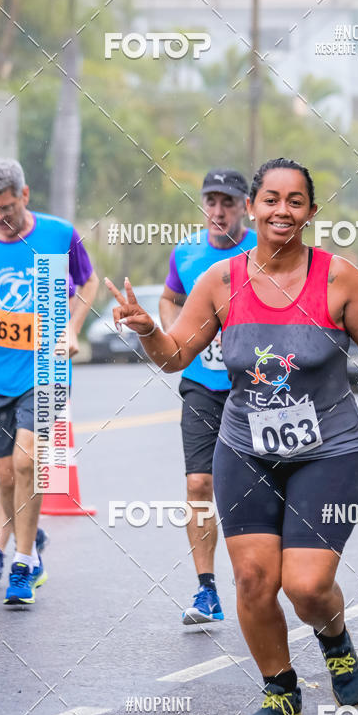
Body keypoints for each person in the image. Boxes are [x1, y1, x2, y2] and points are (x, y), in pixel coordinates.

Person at [106, 157, 358, 715]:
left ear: (310, 212)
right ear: (253, 207)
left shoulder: (339, 279)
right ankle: (281, 689)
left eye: (295, 201)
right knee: (253, 580)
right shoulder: (220, 282)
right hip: (245, 448)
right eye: (271, 199)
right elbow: (175, 357)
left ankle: (334, 637)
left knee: (307, 587)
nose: (281, 210)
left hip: (328, 450)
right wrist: (147, 330)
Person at [0, 157, 99, 604]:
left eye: (7, 207)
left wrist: (72, 327)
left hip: (46, 370)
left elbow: (88, 282)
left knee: (27, 463)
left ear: (24, 195)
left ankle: (22, 563)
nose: (0, 217)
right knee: (5, 476)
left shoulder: (58, 235)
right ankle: (30, 535)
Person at [159, 168, 256, 625]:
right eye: (211, 201)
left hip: (255, 386)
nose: (218, 211)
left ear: (245, 207)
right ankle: (206, 590)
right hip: (201, 383)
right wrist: (174, 333)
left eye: (228, 203)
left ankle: (259, 581)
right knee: (199, 484)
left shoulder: (264, 250)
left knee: (253, 488)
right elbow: (170, 298)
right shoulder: (186, 252)